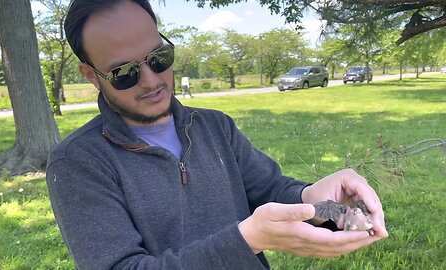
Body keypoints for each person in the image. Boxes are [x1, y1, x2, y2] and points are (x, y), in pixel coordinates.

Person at [46, 0, 388, 269]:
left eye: (158, 57)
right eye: (124, 72)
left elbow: (272, 191)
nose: (151, 80)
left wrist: (319, 201)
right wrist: (247, 239)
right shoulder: (78, 163)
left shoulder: (215, 127)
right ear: (91, 75)